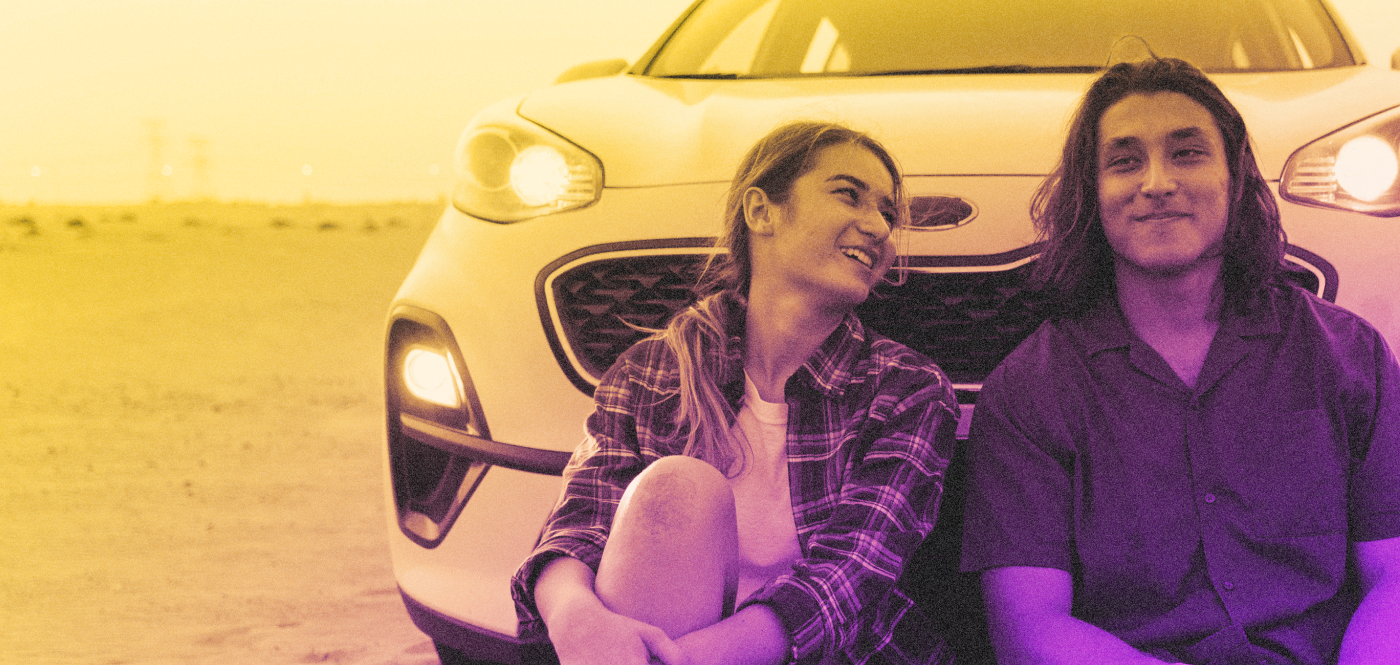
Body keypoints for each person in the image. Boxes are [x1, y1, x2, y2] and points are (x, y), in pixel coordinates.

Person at [959, 57, 1400, 665]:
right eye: (1124, 160)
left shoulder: (1350, 356)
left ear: (1237, 177)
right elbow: (1029, 629)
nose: (1157, 182)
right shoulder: (1029, 392)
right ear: (1092, 193)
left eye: (1187, 153)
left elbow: (1394, 578)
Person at [511, 121, 960, 665]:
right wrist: (573, 617)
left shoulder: (908, 391)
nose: (878, 229)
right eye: (849, 195)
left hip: (826, 655)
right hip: (649, 646)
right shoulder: (652, 373)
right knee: (677, 490)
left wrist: (679, 660)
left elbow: (850, 575)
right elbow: (580, 522)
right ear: (761, 211)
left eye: (887, 214)